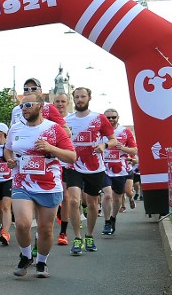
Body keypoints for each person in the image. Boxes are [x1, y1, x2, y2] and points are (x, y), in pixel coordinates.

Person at [4, 94, 76, 278]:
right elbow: (8, 148)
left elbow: (71, 156)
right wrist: (10, 160)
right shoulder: (16, 128)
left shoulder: (54, 129)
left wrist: (51, 148)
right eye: (21, 106)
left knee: (45, 229)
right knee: (22, 223)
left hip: (48, 185)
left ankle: (42, 262)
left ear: (41, 106)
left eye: (28, 104)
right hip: (22, 182)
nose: (24, 109)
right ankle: (26, 256)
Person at [64, 87, 117, 255]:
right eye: (77, 97)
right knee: (73, 201)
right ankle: (77, 238)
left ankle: (89, 235)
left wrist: (104, 145)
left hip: (94, 167)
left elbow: (113, 139)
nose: (80, 99)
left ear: (89, 98)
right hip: (73, 165)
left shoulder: (99, 118)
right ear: (73, 99)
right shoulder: (67, 120)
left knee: (93, 204)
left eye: (83, 96)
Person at [101, 109, 138, 234]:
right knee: (107, 195)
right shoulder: (99, 131)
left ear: (118, 117)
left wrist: (123, 148)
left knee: (117, 198)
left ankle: (113, 219)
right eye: (108, 118)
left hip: (121, 170)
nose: (111, 119)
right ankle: (106, 223)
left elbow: (134, 151)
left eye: (113, 117)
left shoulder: (125, 131)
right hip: (103, 169)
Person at [52, 92, 72, 245]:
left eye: (63, 101)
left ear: (67, 102)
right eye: (57, 101)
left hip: (66, 163)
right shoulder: (45, 119)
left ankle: (63, 232)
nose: (60, 104)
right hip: (51, 163)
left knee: (66, 196)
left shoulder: (71, 119)